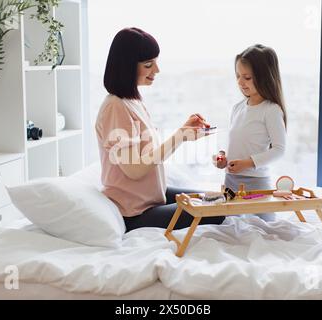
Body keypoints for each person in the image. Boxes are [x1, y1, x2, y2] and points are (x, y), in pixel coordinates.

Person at [96, 27, 225, 232]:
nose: (156, 70)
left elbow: (149, 156)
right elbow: (135, 169)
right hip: (134, 212)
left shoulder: (132, 101)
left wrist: (183, 134)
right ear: (126, 67)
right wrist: (179, 136)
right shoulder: (116, 107)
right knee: (217, 209)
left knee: (218, 200)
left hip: (153, 198)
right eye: (149, 64)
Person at [212, 44, 287, 221]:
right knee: (231, 228)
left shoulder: (271, 110)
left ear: (265, 77)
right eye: (238, 76)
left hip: (257, 183)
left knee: (263, 230)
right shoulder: (237, 108)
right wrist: (222, 156)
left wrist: (248, 163)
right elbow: (234, 140)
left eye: (247, 77)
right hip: (230, 181)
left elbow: (279, 149)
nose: (240, 82)